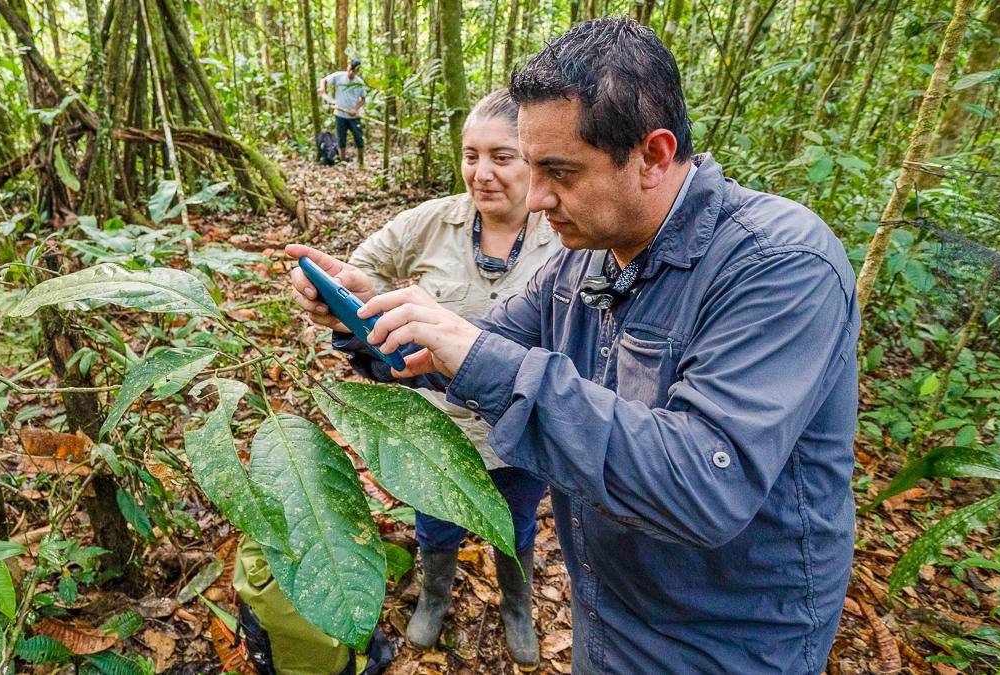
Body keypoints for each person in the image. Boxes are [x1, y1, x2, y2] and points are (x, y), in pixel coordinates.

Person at [288, 17, 859, 674]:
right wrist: (368, 320)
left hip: (727, 643)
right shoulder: (583, 260)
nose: (535, 198)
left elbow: (708, 481)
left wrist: (470, 349)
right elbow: (475, 356)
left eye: (558, 171)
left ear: (652, 155)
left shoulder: (780, 266)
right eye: (531, 168)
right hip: (607, 613)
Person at [344, 89, 561, 669]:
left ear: (534, 159)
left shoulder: (565, 233)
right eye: (471, 155)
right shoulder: (431, 222)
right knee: (436, 518)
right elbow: (359, 271)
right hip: (436, 425)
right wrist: (340, 296)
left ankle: (517, 605)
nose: (482, 173)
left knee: (512, 526)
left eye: (502, 156)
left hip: (519, 428)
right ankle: (435, 594)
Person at [319, 59, 367, 168]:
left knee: (359, 139)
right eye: (350, 70)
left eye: (354, 71)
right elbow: (324, 80)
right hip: (340, 115)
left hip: (354, 116)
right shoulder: (339, 76)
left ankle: (361, 163)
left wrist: (355, 109)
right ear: (348, 68)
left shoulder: (359, 82)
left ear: (357, 71)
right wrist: (322, 88)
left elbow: (363, 99)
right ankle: (343, 162)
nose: (351, 73)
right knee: (341, 139)